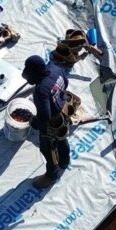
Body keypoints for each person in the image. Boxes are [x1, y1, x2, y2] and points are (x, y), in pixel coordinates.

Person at [22, 54, 72, 189]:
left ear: (35, 74)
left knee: (48, 149)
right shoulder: (55, 69)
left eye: (28, 73)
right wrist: (57, 97)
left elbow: (45, 118)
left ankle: (51, 175)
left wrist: (35, 123)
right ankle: (64, 161)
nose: (25, 75)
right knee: (62, 139)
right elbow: (65, 82)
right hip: (63, 111)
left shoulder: (40, 91)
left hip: (53, 120)